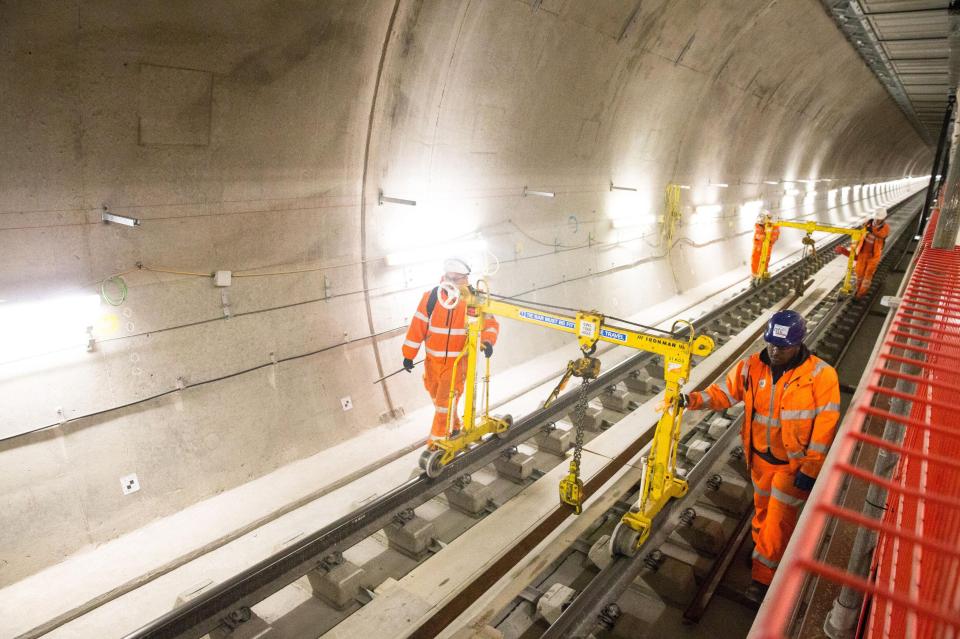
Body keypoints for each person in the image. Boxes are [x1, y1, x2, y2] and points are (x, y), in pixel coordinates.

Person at [677, 310, 840, 601]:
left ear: (799, 343)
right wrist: (690, 400)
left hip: (793, 466)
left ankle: (763, 579)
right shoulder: (750, 367)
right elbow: (722, 395)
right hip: (760, 461)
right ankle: (761, 551)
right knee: (762, 510)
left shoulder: (821, 376)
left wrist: (811, 468)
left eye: (783, 347)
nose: (775, 352)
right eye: (771, 345)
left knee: (778, 520)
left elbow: (825, 425)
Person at [401, 258, 500, 442]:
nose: (453, 282)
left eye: (457, 278)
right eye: (450, 277)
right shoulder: (431, 297)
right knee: (436, 397)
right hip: (432, 363)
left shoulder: (474, 299)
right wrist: (408, 355)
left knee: (444, 404)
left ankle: (438, 444)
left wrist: (488, 341)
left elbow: (490, 323)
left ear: (466, 278)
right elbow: (418, 326)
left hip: (457, 363)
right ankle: (454, 427)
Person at [836, 208, 889, 298]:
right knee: (859, 273)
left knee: (867, 276)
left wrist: (871, 230)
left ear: (883, 218)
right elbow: (862, 231)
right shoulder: (868, 223)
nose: (877, 220)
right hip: (863, 252)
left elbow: (881, 234)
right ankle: (858, 289)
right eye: (876, 218)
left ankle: (860, 294)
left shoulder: (885, 228)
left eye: (879, 219)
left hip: (873, 256)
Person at [751, 212, 780, 282]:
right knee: (755, 260)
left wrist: (768, 239)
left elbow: (774, 237)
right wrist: (761, 237)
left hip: (766, 246)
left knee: (765, 260)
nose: (761, 223)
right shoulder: (758, 225)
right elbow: (756, 236)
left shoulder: (773, 226)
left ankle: (763, 274)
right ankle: (755, 276)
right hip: (758, 247)